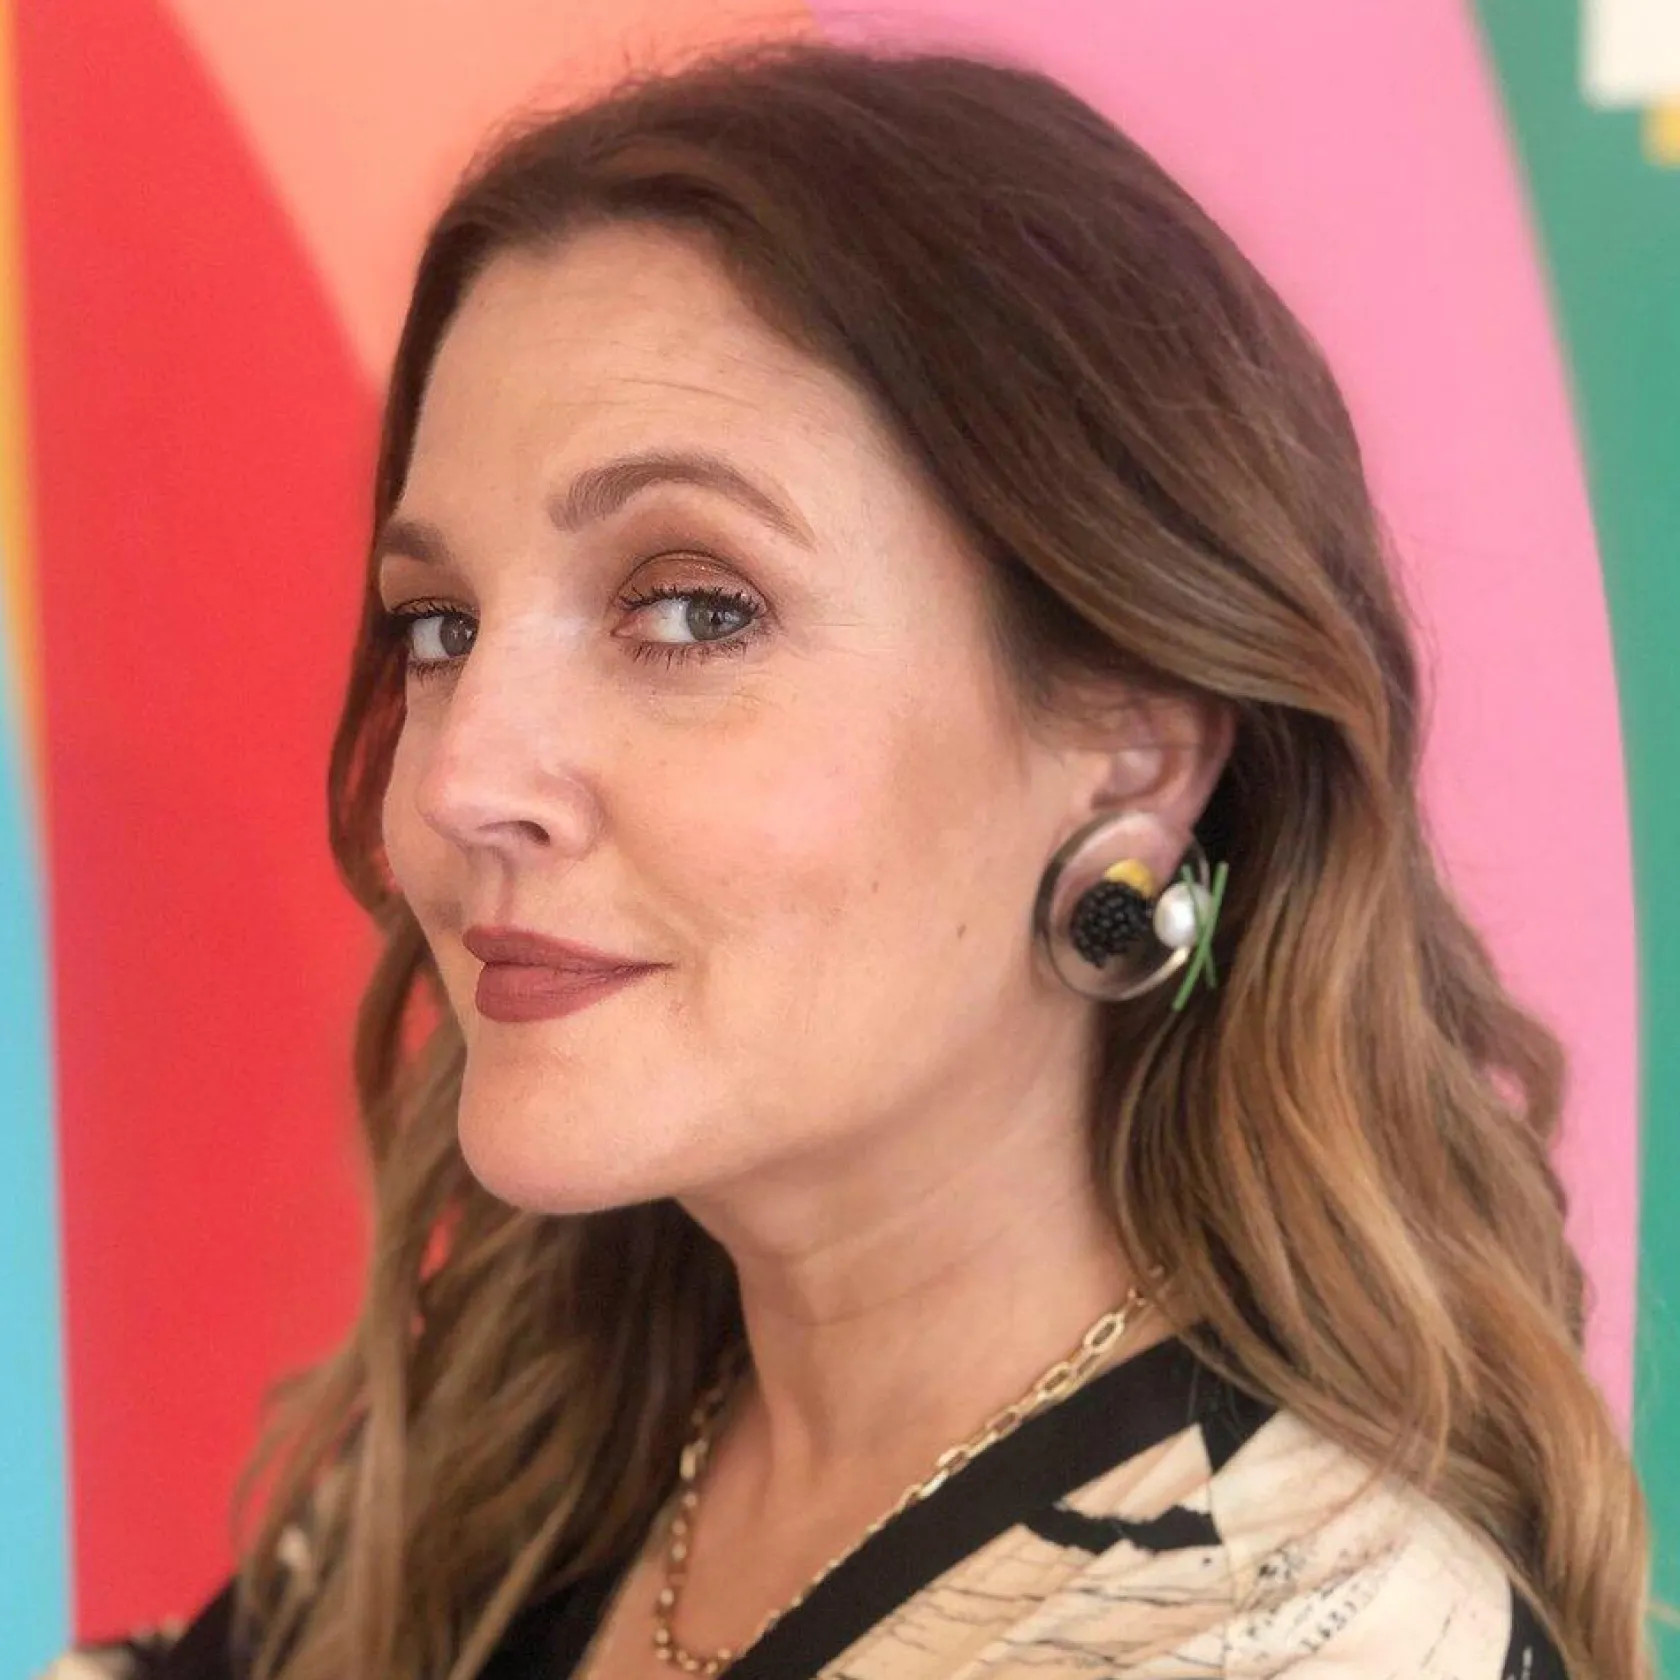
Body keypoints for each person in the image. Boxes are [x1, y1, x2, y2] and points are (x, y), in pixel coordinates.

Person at [46, 35, 1653, 1680]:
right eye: (440, 625)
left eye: (693, 610)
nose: (460, 780)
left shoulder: (1279, 1637)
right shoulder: (536, 1449)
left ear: (1134, 747)